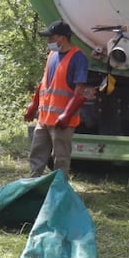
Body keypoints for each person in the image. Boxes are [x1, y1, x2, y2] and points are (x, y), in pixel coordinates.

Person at [24, 19, 93, 179]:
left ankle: (60, 190)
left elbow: (79, 90)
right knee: (37, 154)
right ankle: (33, 185)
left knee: (61, 158)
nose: (48, 41)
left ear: (62, 38)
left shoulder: (78, 57)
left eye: (51, 37)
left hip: (62, 122)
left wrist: (66, 115)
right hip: (44, 118)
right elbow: (43, 83)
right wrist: (33, 105)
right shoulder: (52, 55)